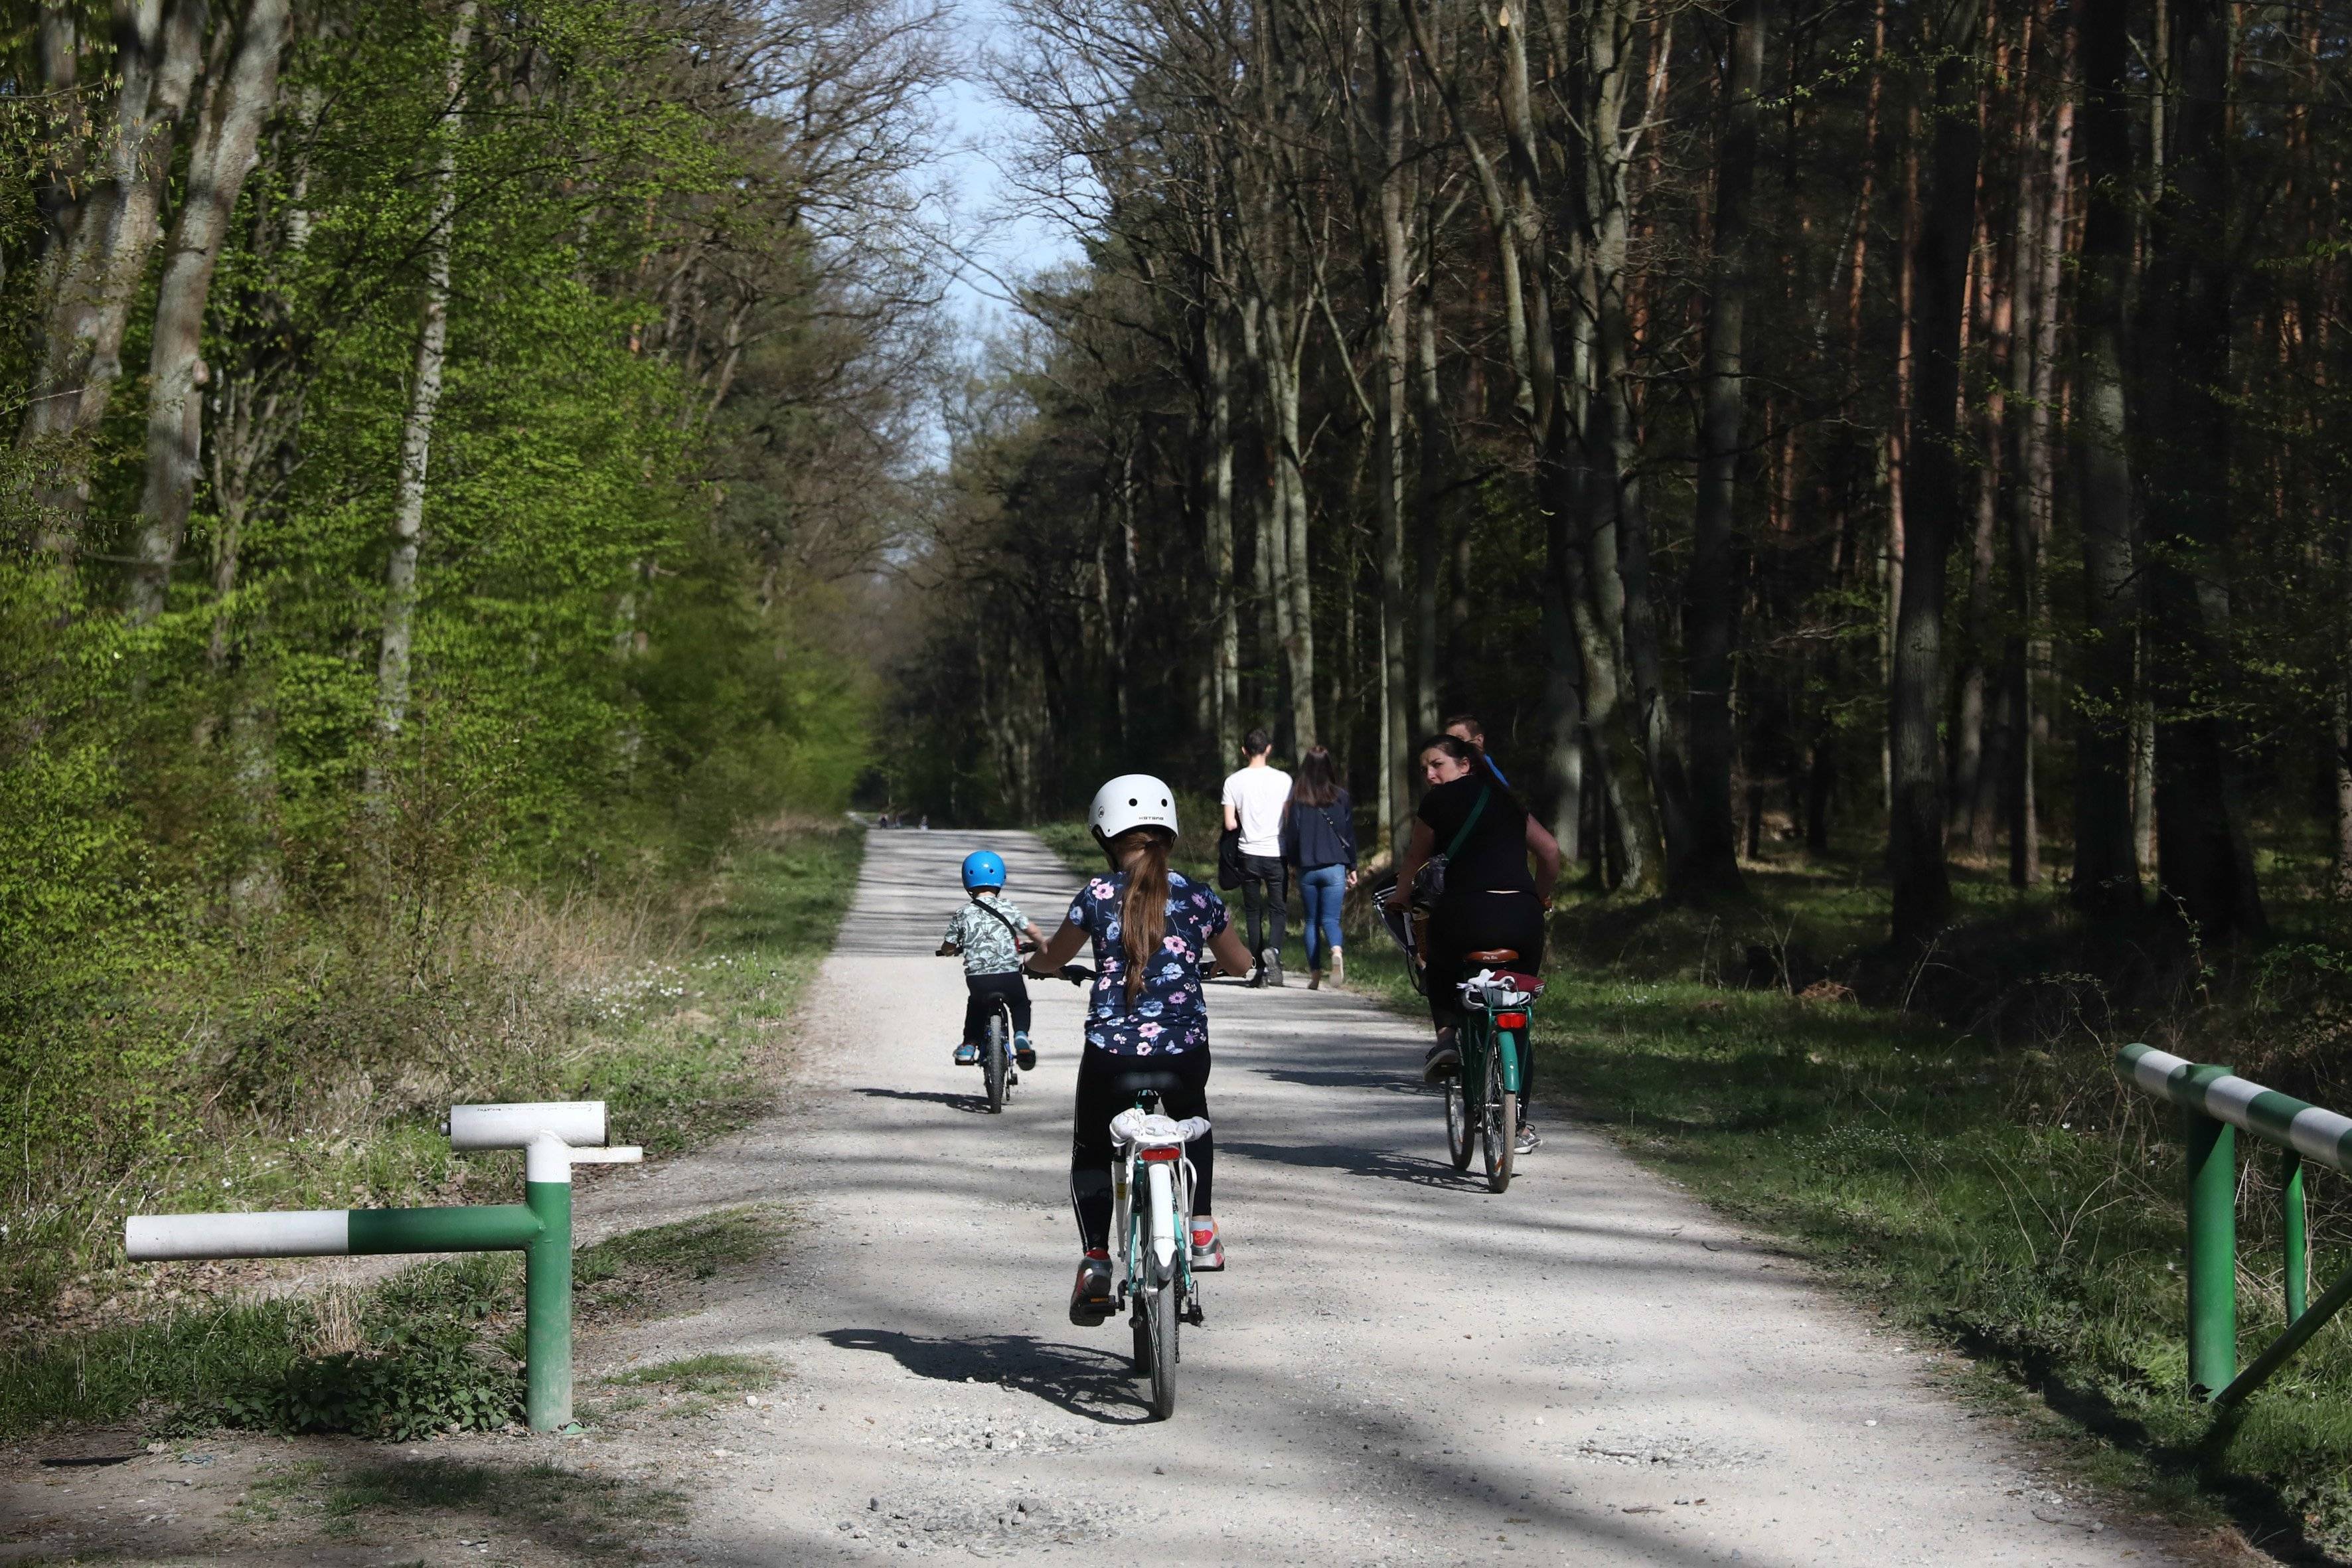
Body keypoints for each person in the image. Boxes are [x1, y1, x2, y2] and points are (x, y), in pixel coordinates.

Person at [1026, 775, 1254, 1324]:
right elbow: (1242, 964)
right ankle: (1200, 1229)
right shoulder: (1200, 897)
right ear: (1169, 832)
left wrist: (1038, 962)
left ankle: (1097, 1261)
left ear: (1106, 834)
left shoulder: (1097, 896)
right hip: (1183, 1053)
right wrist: (1216, 966)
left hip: (1112, 1056)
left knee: (1090, 1147)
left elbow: (1054, 958)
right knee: (1192, 1116)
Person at [1393, 734, 1563, 1154]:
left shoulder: (1437, 804)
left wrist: (1400, 898)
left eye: (1438, 765)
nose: (1431, 775)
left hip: (1466, 914)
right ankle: (1517, 1121)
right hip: (1522, 920)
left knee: (1437, 964)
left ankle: (1448, 1037)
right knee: (1518, 1005)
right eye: (1425, 770)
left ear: (1464, 764)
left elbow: (1414, 863)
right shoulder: (1507, 799)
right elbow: (1551, 852)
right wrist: (1538, 898)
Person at [938, 850, 1046, 1071]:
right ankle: (1021, 1036)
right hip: (1009, 977)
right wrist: (1042, 944)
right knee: (1019, 1003)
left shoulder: (963, 913)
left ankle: (969, 1045)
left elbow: (949, 945)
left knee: (977, 1005)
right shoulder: (1008, 907)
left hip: (979, 980)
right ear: (1001, 879)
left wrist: (948, 951)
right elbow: (1032, 930)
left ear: (967, 881)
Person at [1279, 745, 1358, 989]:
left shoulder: (1298, 798)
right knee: (1331, 919)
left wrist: (1292, 863)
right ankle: (1336, 951)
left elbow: (1292, 834)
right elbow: (1348, 835)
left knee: (1312, 921)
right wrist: (1352, 866)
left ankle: (1315, 975)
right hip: (1335, 866)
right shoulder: (1341, 796)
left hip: (1308, 867)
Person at [1221, 728, 1293, 986]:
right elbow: (1288, 817)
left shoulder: (1233, 782)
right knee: (1278, 909)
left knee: (1253, 912)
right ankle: (1273, 950)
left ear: (1244, 751)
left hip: (1248, 853)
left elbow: (1230, 823)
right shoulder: (1284, 780)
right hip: (1276, 852)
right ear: (1269, 749)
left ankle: (1260, 971)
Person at [1444, 714, 1511, 788]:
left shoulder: (1485, 769)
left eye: (1460, 740)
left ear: (1479, 740)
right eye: (1449, 741)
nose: (1453, 746)